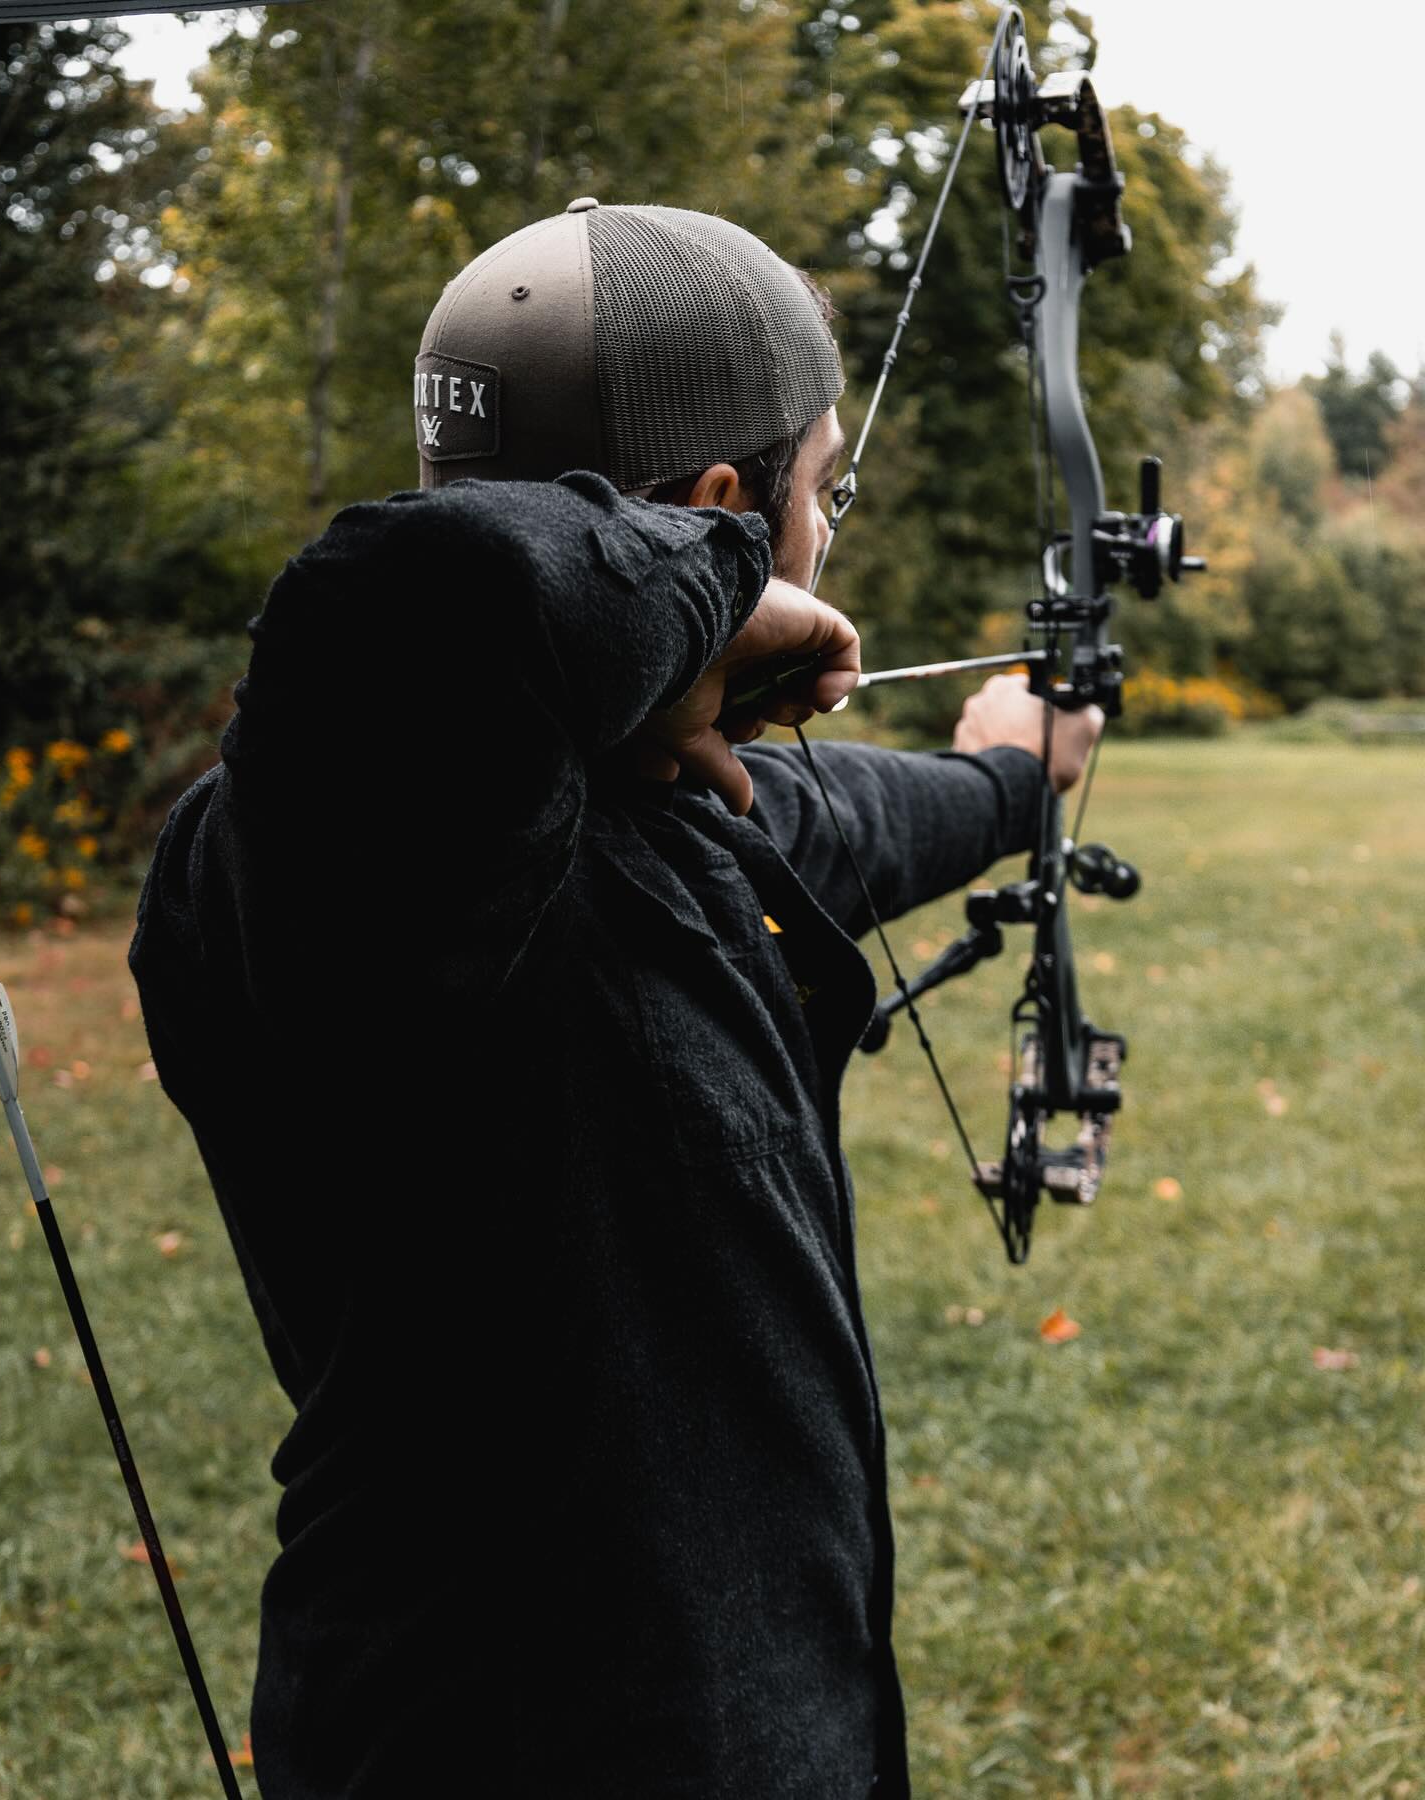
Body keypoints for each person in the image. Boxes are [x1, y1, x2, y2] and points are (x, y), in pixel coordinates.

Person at [129, 199, 1100, 1799]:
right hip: (498, 1740)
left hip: (764, 1710)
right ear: (722, 509)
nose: (824, 531)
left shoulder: (675, 806)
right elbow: (417, 606)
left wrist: (1012, 770)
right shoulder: (315, 848)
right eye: (818, 489)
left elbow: (856, 819)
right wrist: (727, 586)